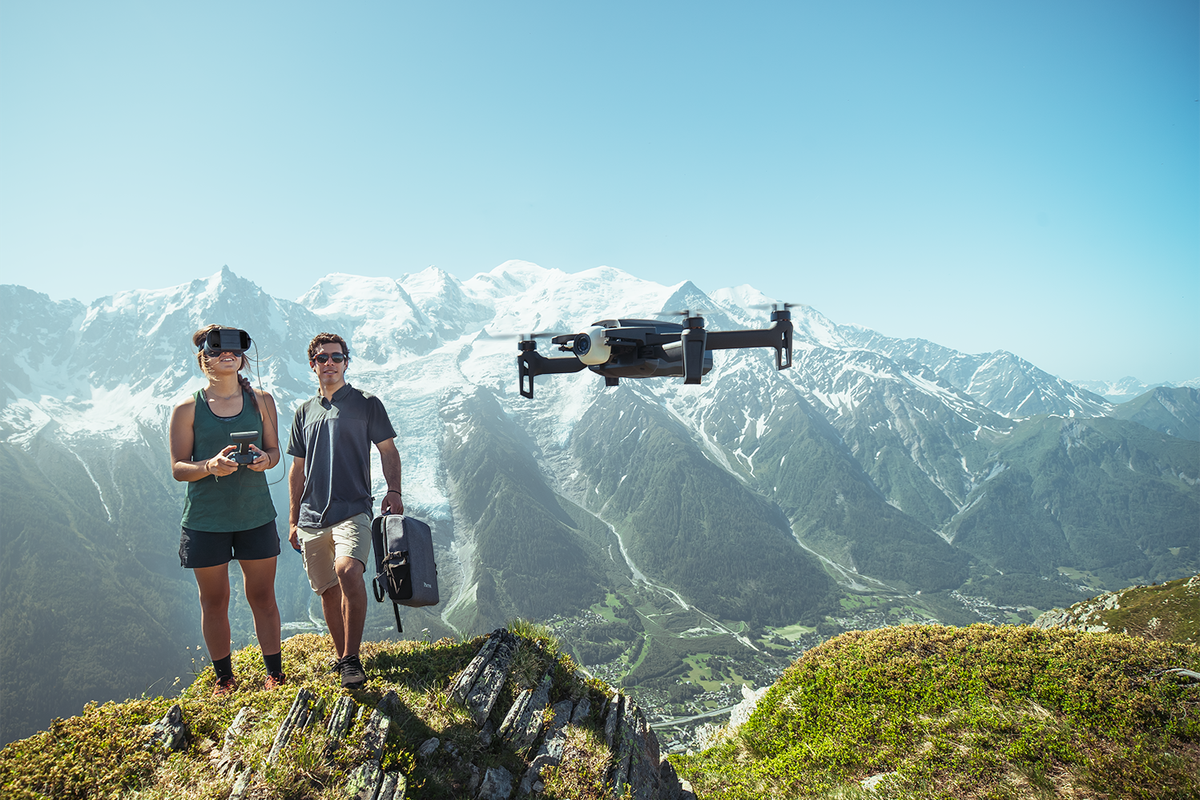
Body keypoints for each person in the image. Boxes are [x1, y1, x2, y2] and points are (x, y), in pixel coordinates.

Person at [169, 325, 285, 696]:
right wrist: (209, 466)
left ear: (242, 356)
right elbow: (177, 468)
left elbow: (275, 452)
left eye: (233, 350)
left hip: (255, 515)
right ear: (205, 357)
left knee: (263, 596)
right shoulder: (187, 408)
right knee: (214, 601)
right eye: (218, 350)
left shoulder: (263, 401)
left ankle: (275, 675)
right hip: (206, 520)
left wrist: (264, 460)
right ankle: (224, 679)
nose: (227, 355)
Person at [287, 332, 403, 689]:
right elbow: (297, 469)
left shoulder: (367, 404)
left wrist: (394, 490)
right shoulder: (303, 412)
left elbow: (387, 450)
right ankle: (342, 659)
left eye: (336, 357)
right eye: (322, 358)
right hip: (311, 516)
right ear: (313, 365)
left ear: (346, 362)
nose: (330, 364)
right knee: (326, 589)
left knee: (348, 571)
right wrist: (293, 519)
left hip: (353, 507)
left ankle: (352, 658)